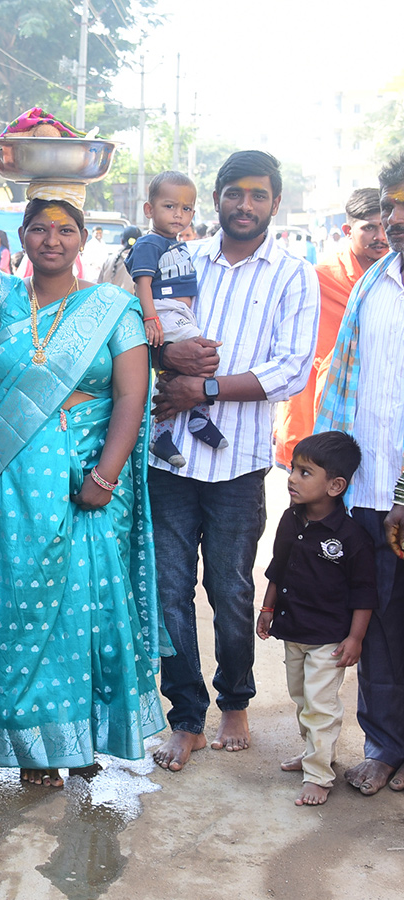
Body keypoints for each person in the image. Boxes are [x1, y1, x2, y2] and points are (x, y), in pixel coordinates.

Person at [0, 133, 167, 786]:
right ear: (24, 234)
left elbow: (130, 397)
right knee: (14, 612)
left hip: (86, 486)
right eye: (40, 228)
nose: (51, 240)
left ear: (81, 240)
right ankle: (34, 746)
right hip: (10, 488)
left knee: (80, 614)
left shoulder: (112, 307)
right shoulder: (2, 298)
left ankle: (79, 739)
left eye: (64, 229)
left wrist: (105, 477)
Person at [150, 150, 319, 772]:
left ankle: (236, 702)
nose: (243, 206)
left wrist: (208, 389)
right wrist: (165, 368)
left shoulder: (293, 274)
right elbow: (146, 334)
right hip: (168, 463)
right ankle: (186, 718)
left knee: (230, 590)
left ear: (275, 203)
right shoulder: (181, 260)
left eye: (257, 195)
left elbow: (292, 367)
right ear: (215, 199)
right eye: (232, 194)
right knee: (168, 594)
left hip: (238, 465)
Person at [319, 154, 404, 796]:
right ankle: (383, 745)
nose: (393, 219)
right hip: (370, 496)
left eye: (403, 206)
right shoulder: (375, 285)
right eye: (389, 206)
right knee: (375, 626)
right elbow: (343, 391)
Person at [256, 431, 374, 806]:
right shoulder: (291, 520)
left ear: (336, 486)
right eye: (292, 469)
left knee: (321, 704)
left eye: (305, 472)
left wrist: (355, 638)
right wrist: (268, 608)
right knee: (301, 697)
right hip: (294, 629)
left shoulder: (352, 537)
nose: (291, 478)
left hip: (330, 638)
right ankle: (315, 754)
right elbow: (278, 567)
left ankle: (319, 776)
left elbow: (364, 592)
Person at [274, 188, 389, 468]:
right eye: (370, 228)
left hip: (376, 414)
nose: (381, 237)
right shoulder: (317, 280)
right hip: (313, 416)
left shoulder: (394, 278)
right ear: (348, 229)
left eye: (385, 226)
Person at [128, 171, 228, 469]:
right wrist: (151, 319)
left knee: (174, 373)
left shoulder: (179, 244)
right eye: (169, 206)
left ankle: (162, 435)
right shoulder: (150, 243)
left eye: (186, 209)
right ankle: (198, 418)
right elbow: (142, 284)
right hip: (165, 312)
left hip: (179, 313)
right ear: (149, 210)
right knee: (204, 355)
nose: (178, 215)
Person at [98, 225, 142, 292]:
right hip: (129, 301)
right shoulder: (141, 261)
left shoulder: (109, 259)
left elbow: (99, 285)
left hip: (106, 300)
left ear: (121, 241)